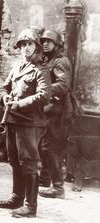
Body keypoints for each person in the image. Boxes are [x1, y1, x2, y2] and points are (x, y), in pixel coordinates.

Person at [0, 28, 51, 218]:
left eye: (30, 44)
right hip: (12, 121)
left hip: (29, 123)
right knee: (14, 160)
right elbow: (4, 87)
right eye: (23, 45)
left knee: (28, 163)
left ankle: (30, 206)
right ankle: (17, 198)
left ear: (36, 47)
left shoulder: (41, 70)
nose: (26, 48)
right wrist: (4, 98)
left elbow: (44, 96)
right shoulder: (18, 67)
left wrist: (19, 103)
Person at [38, 30, 72, 199]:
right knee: (45, 146)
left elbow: (63, 85)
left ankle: (58, 187)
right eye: (43, 41)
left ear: (57, 44)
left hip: (58, 113)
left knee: (53, 149)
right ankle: (44, 179)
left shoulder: (60, 61)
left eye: (49, 42)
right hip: (49, 111)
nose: (45, 44)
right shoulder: (49, 59)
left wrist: (43, 91)